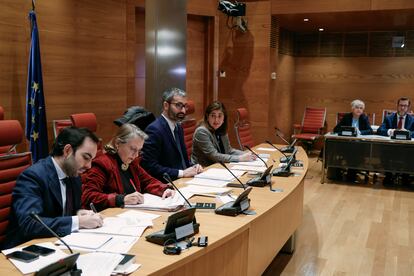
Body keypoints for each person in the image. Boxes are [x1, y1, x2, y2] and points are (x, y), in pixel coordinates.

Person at [3, 127, 103, 249]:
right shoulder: (33, 177)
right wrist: (78, 222)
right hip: (26, 249)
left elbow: (61, 213)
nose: (89, 166)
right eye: (86, 158)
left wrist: (79, 213)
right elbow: (30, 224)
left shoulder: (73, 174)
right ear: (67, 151)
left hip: (58, 243)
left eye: (91, 160)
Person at [81, 124, 175, 211]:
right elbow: (89, 196)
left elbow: (147, 181)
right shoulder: (102, 164)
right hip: (111, 218)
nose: (136, 155)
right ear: (118, 143)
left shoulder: (132, 163)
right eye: (133, 149)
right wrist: (120, 199)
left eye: (139, 150)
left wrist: (164, 189)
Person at [141, 88, 203, 182]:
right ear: (166, 105)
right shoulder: (154, 130)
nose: (183, 111)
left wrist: (193, 167)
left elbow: (182, 160)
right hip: (167, 185)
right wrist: (182, 173)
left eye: (184, 106)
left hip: (184, 181)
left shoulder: (178, 127)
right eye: (178, 105)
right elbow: (150, 167)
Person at [191, 101, 256, 167]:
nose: (216, 120)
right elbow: (214, 156)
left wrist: (247, 154)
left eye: (220, 116)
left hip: (218, 166)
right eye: (213, 116)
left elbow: (229, 151)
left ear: (224, 118)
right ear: (207, 117)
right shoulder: (202, 131)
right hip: (203, 169)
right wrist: (240, 158)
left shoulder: (221, 129)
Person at [377, 97, 414, 185]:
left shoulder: (412, 120)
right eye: (401, 105)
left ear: (408, 107)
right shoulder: (389, 118)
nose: (402, 108)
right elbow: (380, 130)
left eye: (405, 106)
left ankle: (406, 176)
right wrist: (390, 131)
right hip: (391, 146)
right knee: (384, 151)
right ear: (397, 106)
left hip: (407, 148)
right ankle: (388, 175)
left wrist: (408, 133)